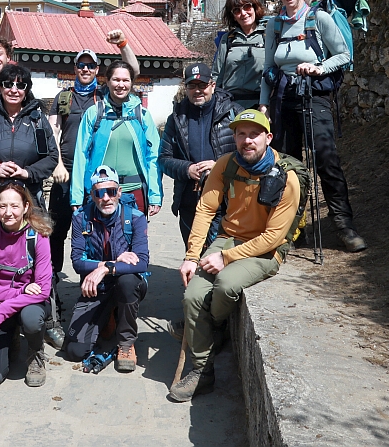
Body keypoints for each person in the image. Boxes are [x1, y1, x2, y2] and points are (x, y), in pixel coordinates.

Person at [170, 110, 300, 402]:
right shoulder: (226, 164)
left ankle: (210, 328)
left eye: (254, 134)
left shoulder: (287, 178)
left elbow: (273, 237)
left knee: (226, 285)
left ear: (268, 138)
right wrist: (192, 256)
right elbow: (206, 209)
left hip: (265, 250)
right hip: (227, 239)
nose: (247, 140)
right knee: (192, 297)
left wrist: (226, 258)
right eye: (241, 134)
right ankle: (203, 372)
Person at [259, 0, 366, 253]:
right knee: (288, 165)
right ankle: (295, 228)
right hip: (283, 99)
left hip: (313, 96)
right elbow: (268, 68)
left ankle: (344, 226)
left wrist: (319, 68)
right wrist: (264, 104)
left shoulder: (319, 19)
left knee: (325, 159)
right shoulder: (274, 25)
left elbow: (343, 55)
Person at [48, 32, 139, 275]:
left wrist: (122, 44)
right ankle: (52, 276)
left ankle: (93, 275)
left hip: (95, 174)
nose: (85, 69)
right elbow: (53, 132)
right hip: (66, 171)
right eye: (81, 65)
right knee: (56, 228)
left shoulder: (105, 95)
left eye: (90, 65)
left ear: (97, 69)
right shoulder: (64, 97)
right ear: (75, 68)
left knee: (93, 227)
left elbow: (131, 71)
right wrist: (57, 164)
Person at [66, 165, 150, 372]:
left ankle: (126, 343)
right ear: (92, 195)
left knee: (127, 281)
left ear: (119, 192)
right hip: (96, 287)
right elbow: (77, 262)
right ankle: (110, 314)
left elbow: (142, 262)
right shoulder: (80, 218)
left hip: (126, 283)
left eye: (111, 191)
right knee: (75, 350)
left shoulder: (136, 218)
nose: (106, 198)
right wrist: (110, 263)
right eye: (99, 193)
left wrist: (106, 269)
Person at [0, 179, 54, 387]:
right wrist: (20, 291)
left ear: (26, 206)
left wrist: (2, 311)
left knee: (31, 318)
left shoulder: (38, 236)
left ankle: (35, 352)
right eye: (3, 206)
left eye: (14, 206)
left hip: (29, 305)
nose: (8, 212)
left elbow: (43, 290)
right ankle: (11, 338)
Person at [0, 63, 58, 229]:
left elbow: (51, 157)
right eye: (8, 84)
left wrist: (27, 173)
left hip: (29, 199)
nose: (14, 90)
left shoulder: (38, 121)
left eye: (20, 86)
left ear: (26, 90)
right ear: (0, 87)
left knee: (29, 243)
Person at [70, 60, 162, 216]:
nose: (121, 85)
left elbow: (153, 157)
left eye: (126, 80)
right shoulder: (94, 113)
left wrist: (155, 196)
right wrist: (76, 197)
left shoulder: (142, 115)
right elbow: (81, 155)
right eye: (116, 80)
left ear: (132, 82)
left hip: (135, 191)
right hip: (101, 192)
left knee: (135, 232)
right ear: (107, 81)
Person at [159, 62, 236, 247]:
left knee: (221, 255)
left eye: (202, 85)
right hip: (189, 200)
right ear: (185, 87)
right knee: (193, 254)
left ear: (213, 85)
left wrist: (219, 166)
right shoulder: (176, 118)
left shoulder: (233, 113)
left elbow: (247, 155)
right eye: (192, 86)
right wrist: (188, 169)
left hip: (225, 201)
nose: (198, 90)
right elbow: (163, 159)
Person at [210, 0, 268, 110]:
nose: (243, 13)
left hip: (259, 104)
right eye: (237, 10)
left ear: (254, 8)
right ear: (233, 16)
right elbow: (217, 74)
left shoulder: (267, 36)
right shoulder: (228, 39)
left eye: (247, 7)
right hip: (229, 105)